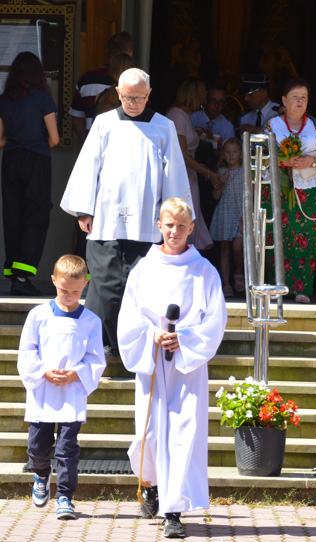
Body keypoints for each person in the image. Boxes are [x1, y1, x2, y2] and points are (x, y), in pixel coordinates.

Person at [60, 68, 191, 358]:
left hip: (147, 222)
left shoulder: (164, 127)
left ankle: (138, 344)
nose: (132, 102)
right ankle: (102, 344)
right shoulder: (104, 123)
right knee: (104, 285)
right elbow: (88, 167)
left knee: (141, 286)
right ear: (118, 93)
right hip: (106, 220)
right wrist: (84, 210)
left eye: (139, 97)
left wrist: (172, 220)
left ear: (149, 95)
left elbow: (174, 176)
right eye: (128, 96)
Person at [118, 198, 227, 538]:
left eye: (182, 226)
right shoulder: (143, 269)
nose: (175, 231)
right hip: (151, 363)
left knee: (183, 435)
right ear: (160, 226)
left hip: (186, 368)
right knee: (148, 433)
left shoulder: (204, 271)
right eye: (169, 225)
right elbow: (129, 316)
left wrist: (186, 339)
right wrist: (152, 334)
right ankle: (149, 484)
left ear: (191, 228)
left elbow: (216, 319)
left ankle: (174, 510)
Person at [18, 255, 106, 520]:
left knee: (67, 449)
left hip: (71, 393)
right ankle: (41, 475)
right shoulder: (38, 315)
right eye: (63, 290)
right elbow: (27, 351)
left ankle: (65, 496)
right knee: (37, 447)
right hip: (43, 392)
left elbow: (95, 358)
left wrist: (77, 374)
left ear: (86, 284)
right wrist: (43, 371)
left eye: (76, 292)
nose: (69, 296)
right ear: (54, 280)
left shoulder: (91, 321)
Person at [0, 51, 60, 296]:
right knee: (36, 215)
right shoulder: (43, 98)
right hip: (36, 159)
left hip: (10, 160)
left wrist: (17, 138)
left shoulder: (4, 99)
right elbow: (54, 138)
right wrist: (36, 140)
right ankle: (22, 277)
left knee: (13, 215)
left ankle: (14, 274)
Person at [264, 78, 316, 303]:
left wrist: (310, 163)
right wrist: (283, 161)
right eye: (295, 97)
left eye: (304, 97)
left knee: (304, 238)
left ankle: (302, 288)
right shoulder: (271, 125)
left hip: (307, 190)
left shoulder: (315, 126)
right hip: (277, 190)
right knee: (276, 237)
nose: (300, 101)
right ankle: (276, 287)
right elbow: (260, 156)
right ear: (284, 100)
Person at [166, 78, 219, 250]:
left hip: (189, 175)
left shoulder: (183, 115)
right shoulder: (178, 116)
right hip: (181, 176)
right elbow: (181, 154)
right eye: (202, 94)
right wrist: (208, 173)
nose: (204, 98)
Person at [69, 32, 133, 150]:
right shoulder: (136, 82)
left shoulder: (87, 79)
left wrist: (85, 142)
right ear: (130, 53)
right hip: (126, 149)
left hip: (93, 147)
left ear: (107, 51)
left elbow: (77, 119)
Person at [209, 138, 245, 296]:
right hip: (225, 211)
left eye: (235, 152)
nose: (231, 155)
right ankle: (226, 283)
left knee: (238, 246)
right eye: (228, 152)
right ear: (223, 155)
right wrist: (219, 184)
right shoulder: (221, 172)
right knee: (225, 249)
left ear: (241, 154)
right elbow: (216, 196)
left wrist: (247, 214)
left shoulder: (246, 171)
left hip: (241, 213)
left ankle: (239, 272)